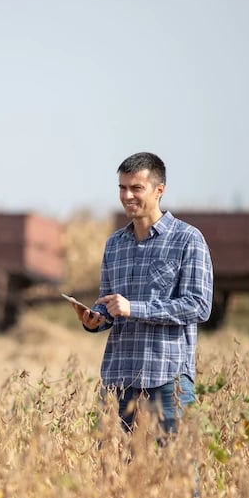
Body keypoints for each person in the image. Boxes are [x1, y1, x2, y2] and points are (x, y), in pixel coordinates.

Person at [73, 151, 214, 438]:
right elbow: (111, 306)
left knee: (178, 474)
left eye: (136, 188)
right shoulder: (115, 244)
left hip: (166, 379)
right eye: (122, 188)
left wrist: (133, 308)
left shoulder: (188, 239)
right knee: (115, 475)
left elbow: (199, 306)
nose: (127, 196)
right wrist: (95, 319)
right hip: (118, 380)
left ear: (159, 190)